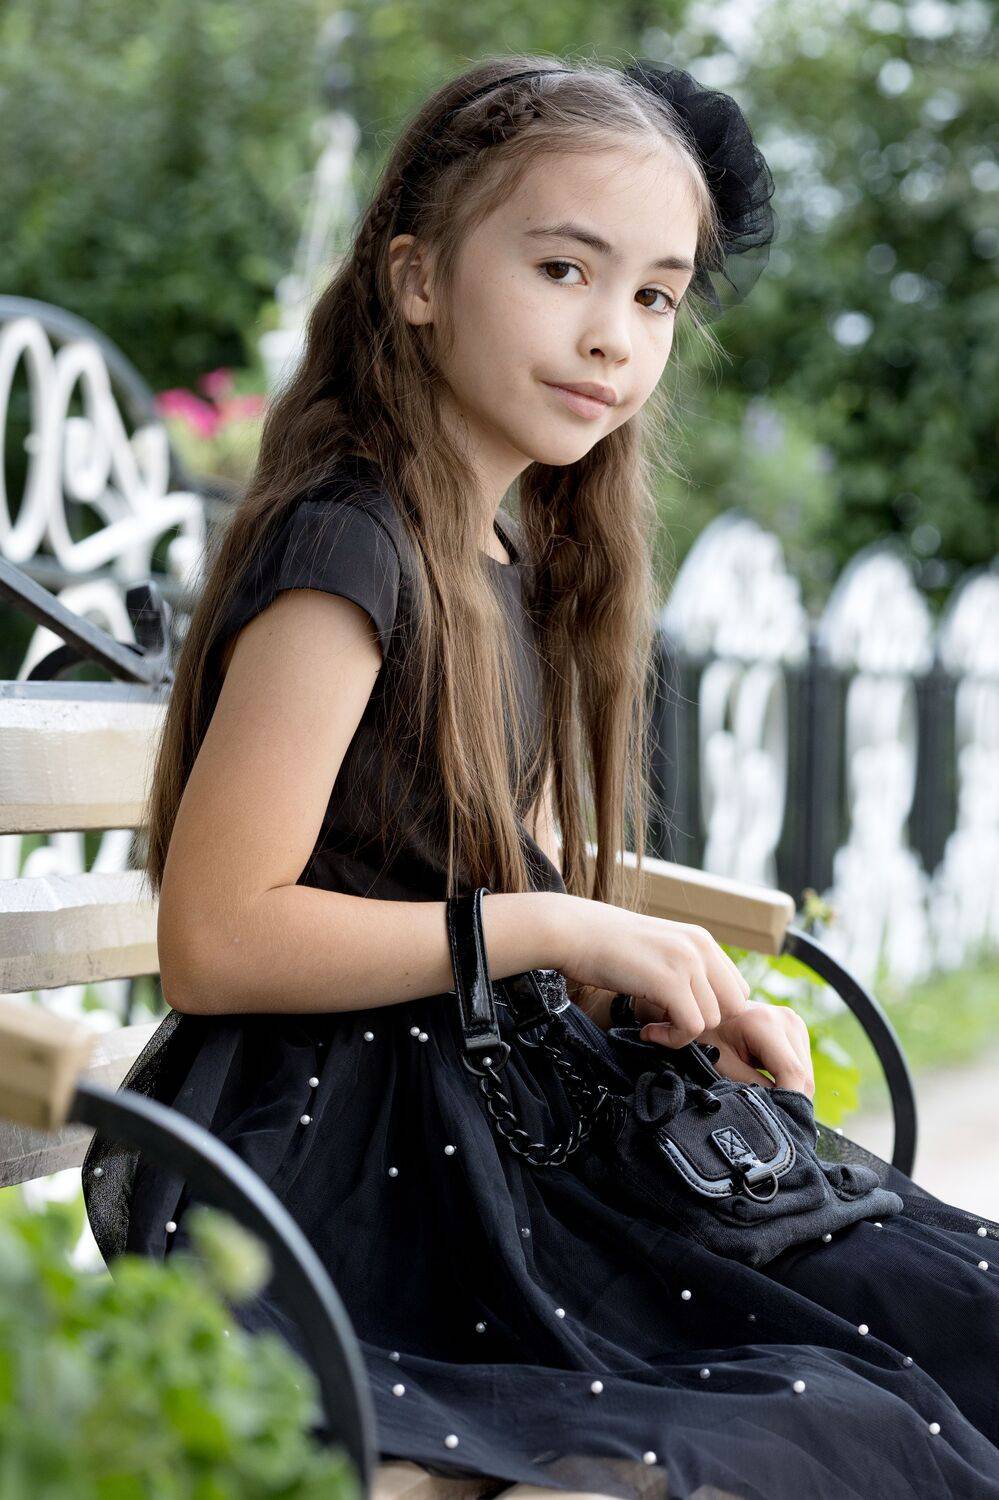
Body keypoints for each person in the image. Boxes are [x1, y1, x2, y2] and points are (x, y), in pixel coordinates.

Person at [83, 54, 999, 1500]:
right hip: (345, 1171)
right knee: (844, 1411)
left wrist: (656, 988)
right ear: (417, 278)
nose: (613, 336)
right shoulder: (349, 548)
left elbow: (470, 877)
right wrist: (564, 928)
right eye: (564, 269)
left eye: (655, 297)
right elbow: (215, 936)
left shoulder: (503, 552)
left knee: (949, 1312)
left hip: (483, 1120)